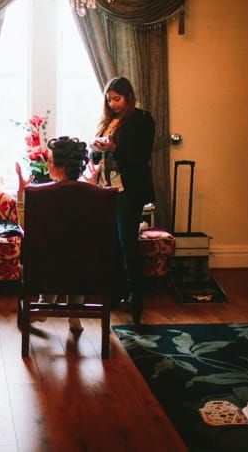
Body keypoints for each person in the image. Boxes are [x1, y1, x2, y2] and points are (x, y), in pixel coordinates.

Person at [88, 76, 155, 324]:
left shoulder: (141, 119)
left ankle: (136, 296)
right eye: (109, 100)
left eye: (117, 99)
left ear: (128, 96)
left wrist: (114, 148)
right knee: (112, 243)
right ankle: (116, 293)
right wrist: (96, 149)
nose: (113, 103)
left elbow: (141, 155)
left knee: (127, 241)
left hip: (129, 189)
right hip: (107, 188)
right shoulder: (108, 121)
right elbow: (96, 157)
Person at [16, 136, 90, 333]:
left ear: (62, 167)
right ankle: (74, 313)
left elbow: (24, 225)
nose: (46, 164)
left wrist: (21, 193)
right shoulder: (94, 194)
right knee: (78, 252)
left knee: (54, 253)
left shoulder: (43, 194)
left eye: (49, 160)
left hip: (49, 267)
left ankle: (43, 306)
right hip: (87, 268)